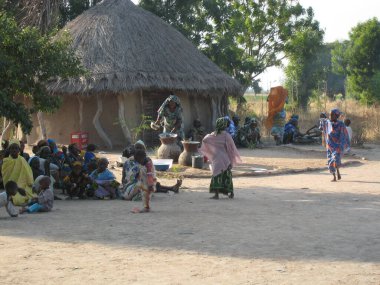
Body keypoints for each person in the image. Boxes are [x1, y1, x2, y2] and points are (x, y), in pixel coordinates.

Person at [200, 117, 242, 199]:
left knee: (216, 175)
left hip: (216, 158)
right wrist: (231, 160)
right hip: (225, 158)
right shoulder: (227, 136)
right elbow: (232, 149)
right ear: (225, 126)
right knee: (227, 176)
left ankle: (216, 195)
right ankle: (231, 193)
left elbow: (204, 140)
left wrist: (212, 149)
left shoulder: (213, 135)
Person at [320, 109, 350, 182]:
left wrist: (341, 145)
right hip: (330, 146)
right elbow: (321, 127)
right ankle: (334, 176)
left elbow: (343, 135)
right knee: (330, 161)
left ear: (336, 116)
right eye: (330, 114)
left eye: (332, 114)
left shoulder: (341, 124)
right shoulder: (327, 123)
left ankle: (338, 172)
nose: (330, 116)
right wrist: (321, 118)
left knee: (335, 160)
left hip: (338, 146)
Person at [1, 140, 35, 206]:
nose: (14, 150)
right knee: (17, 199)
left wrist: (30, 183)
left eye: (16, 148)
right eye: (12, 148)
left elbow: (28, 173)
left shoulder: (22, 160)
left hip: (24, 185)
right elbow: (6, 177)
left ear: (19, 150)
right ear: (9, 150)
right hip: (12, 187)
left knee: (31, 195)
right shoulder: (6, 161)